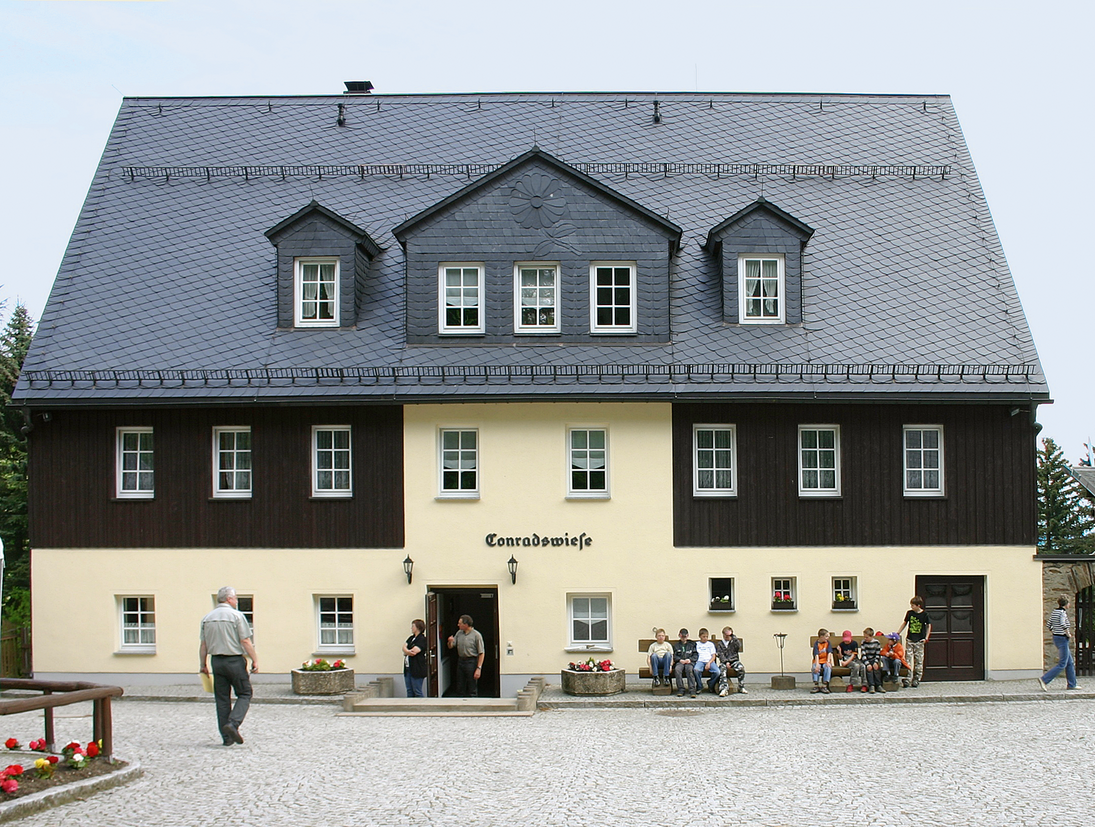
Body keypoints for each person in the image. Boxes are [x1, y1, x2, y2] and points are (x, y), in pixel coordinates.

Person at [199, 586, 258, 746]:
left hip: (216, 661)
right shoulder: (237, 616)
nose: (237, 601)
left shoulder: (207, 618)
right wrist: (255, 659)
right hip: (234, 661)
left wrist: (203, 664)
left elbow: (203, 645)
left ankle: (226, 738)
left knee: (222, 698)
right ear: (229, 599)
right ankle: (233, 723)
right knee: (245, 693)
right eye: (236, 598)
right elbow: (245, 641)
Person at [1038, 596, 1079, 691]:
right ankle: (1044, 679)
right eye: (1069, 603)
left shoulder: (1054, 612)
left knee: (1070, 662)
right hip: (1063, 638)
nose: (1070, 605)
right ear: (1066, 604)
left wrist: (1054, 631)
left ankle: (1072, 684)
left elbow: (1049, 625)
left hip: (1056, 637)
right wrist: (1067, 633)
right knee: (1062, 663)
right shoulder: (1062, 613)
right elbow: (1063, 624)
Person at [897, 596, 932, 687]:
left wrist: (926, 637)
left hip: (919, 640)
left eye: (913, 605)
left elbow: (928, 626)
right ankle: (908, 678)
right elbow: (905, 623)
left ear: (918, 605)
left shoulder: (925, 615)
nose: (911, 607)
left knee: (919, 660)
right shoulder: (909, 613)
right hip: (910, 639)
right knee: (908, 659)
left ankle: (916, 678)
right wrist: (898, 632)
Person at [446, 614, 485, 697]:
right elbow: (451, 646)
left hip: (471, 661)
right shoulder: (459, 633)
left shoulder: (476, 635)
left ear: (466, 625)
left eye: (460, 623)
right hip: (461, 661)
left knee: (472, 685)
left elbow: (481, 652)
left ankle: (473, 703)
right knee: (460, 685)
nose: (458, 625)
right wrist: (450, 641)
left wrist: (479, 668)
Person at [716, 626, 747, 696]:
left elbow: (739, 646)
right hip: (724, 662)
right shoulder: (720, 644)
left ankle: (741, 686)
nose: (727, 637)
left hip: (734, 661)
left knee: (741, 668)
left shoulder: (734, 642)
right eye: (726, 635)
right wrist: (726, 662)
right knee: (722, 669)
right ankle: (723, 689)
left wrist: (733, 637)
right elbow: (720, 654)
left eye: (729, 635)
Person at [402, 618, 428, 698]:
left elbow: (414, 652)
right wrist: (407, 651)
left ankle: (421, 707)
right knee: (409, 690)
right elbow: (404, 647)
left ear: (418, 628)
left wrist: (407, 651)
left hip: (417, 669)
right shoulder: (411, 638)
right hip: (408, 668)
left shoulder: (422, 639)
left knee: (417, 691)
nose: (411, 628)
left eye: (413, 626)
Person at [672, 628, 699, 698]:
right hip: (680, 662)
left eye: (685, 636)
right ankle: (681, 689)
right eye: (682, 636)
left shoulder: (692, 644)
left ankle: (692, 690)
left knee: (689, 669)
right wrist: (679, 660)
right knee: (677, 670)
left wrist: (690, 660)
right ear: (679, 635)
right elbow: (674, 655)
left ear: (687, 636)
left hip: (689, 662)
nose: (683, 638)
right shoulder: (676, 645)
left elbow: (695, 655)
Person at [859, 628, 885, 694]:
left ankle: (878, 685)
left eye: (867, 637)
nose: (865, 639)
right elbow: (863, 654)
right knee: (869, 669)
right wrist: (867, 664)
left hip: (874, 659)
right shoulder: (863, 642)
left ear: (871, 636)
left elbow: (878, 654)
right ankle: (871, 685)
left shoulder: (877, 643)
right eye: (864, 637)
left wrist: (876, 662)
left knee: (876, 668)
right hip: (866, 659)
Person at [694, 628, 720, 693]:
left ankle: (711, 684)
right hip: (699, 661)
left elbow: (713, 656)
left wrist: (709, 663)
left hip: (710, 661)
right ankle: (699, 686)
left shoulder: (710, 644)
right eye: (703, 637)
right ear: (700, 636)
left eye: (706, 637)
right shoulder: (696, 644)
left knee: (717, 672)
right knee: (696, 670)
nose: (705, 638)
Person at [811, 629, 833, 694]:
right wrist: (817, 664)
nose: (827, 638)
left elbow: (829, 652)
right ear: (821, 637)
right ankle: (816, 684)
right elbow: (816, 654)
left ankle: (824, 685)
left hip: (825, 660)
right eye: (826, 636)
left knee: (827, 667)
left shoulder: (828, 643)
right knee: (815, 667)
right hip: (818, 660)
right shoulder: (816, 644)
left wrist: (828, 661)